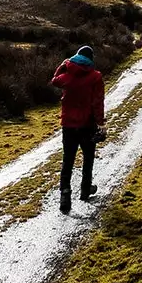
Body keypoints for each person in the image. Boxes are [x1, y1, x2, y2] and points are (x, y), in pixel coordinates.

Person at [51, 45, 105, 213]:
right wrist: (101, 123)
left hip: (68, 125)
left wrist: (63, 64)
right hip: (87, 124)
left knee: (68, 160)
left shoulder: (66, 76)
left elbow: (54, 79)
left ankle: (65, 195)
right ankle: (85, 190)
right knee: (88, 158)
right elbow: (97, 102)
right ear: (91, 60)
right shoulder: (95, 77)